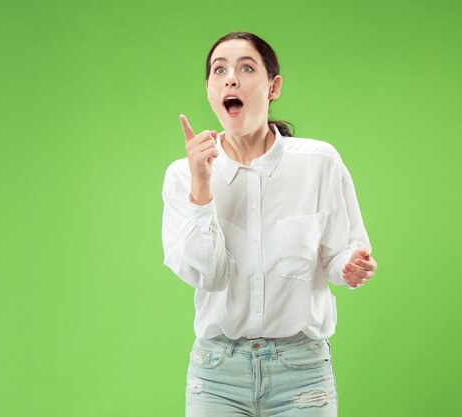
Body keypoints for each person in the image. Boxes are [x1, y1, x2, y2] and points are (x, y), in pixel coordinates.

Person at [161, 31, 378, 417]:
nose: (231, 78)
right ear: (210, 88)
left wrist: (350, 266)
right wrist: (201, 187)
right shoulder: (182, 177)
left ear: (273, 86)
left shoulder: (319, 162)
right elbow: (209, 276)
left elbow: (339, 254)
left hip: (302, 372)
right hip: (216, 377)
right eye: (219, 70)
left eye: (246, 68)